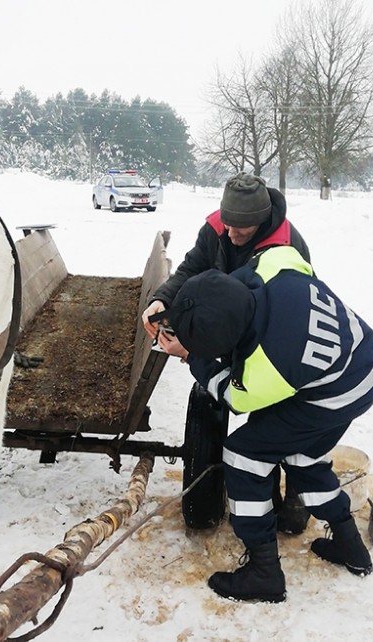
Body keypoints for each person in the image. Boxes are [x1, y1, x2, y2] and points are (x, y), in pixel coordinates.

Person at [151, 259, 373, 603]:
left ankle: (264, 572)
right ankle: (351, 545)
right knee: (302, 454)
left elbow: (233, 396)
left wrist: (191, 356)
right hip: (364, 358)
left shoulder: (269, 366)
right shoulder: (276, 267)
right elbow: (239, 283)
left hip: (339, 391)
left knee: (244, 455)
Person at [142, 171, 312, 534]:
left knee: (277, 417)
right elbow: (191, 269)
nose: (232, 234)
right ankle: (234, 489)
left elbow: (296, 309)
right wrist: (162, 299)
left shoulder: (288, 247)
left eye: (242, 230)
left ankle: (296, 495)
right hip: (229, 326)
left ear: (262, 220)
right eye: (229, 225)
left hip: (273, 339)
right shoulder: (218, 229)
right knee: (220, 395)